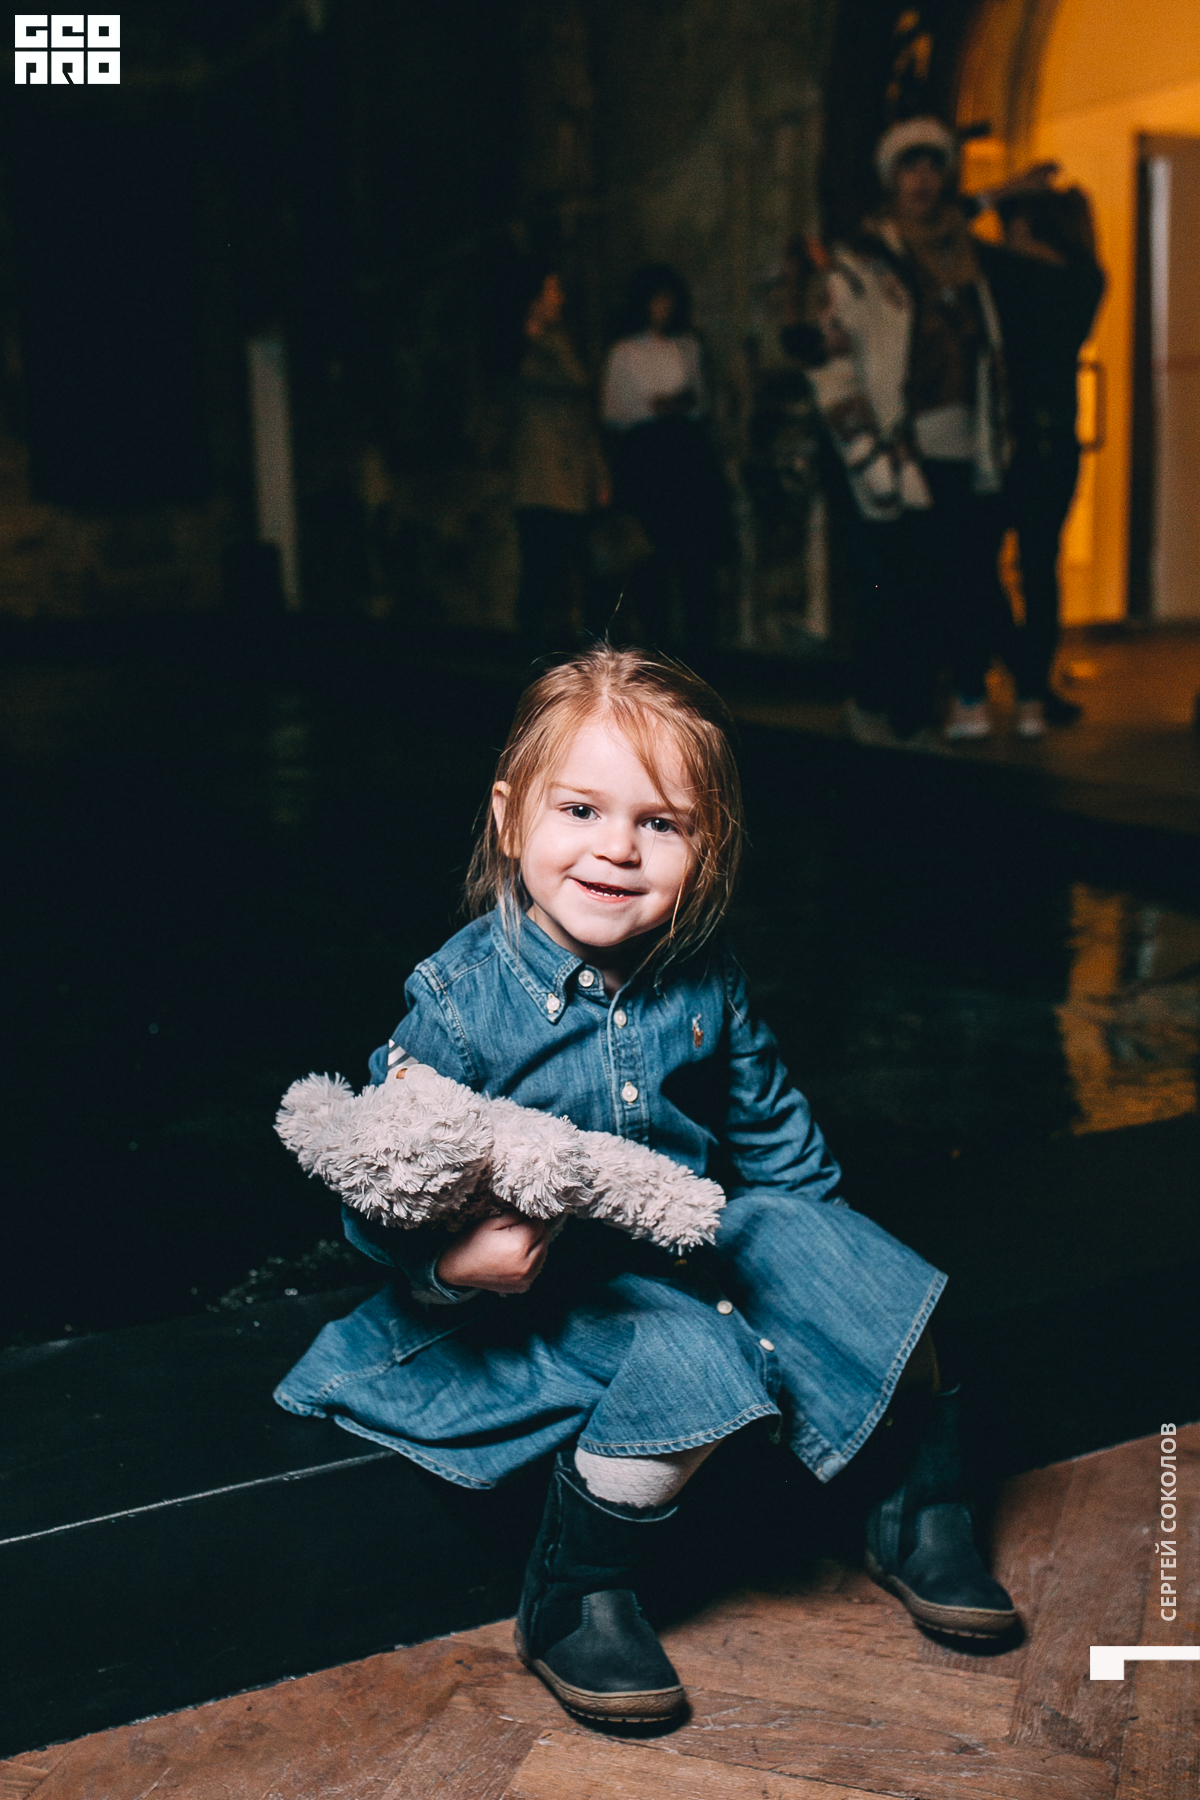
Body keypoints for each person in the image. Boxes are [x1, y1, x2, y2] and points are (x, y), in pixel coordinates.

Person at [275, 645, 1016, 1727]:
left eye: (660, 823)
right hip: (552, 1288)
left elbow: (774, 1135)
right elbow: (377, 1186)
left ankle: (919, 1505)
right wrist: (453, 1265)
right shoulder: (458, 1003)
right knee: (689, 1365)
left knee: (873, 1275)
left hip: (685, 1239)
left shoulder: (707, 977)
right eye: (580, 810)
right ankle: (576, 1591)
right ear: (510, 818)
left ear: (705, 849)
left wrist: (829, 1287)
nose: (616, 848)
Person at [806, 117, 1011, 742]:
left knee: (954, 580)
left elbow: (985, 353)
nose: (921, 180)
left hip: (964, 444)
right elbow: (831, 361)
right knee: (895, 584)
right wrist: (863, 444)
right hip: (895, 446)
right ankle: (885, 700)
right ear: (890, 179)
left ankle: (928, 700)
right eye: (908, 168)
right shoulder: (860, 262)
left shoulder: (966, 257)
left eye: (932, 168)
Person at [985, 186, 1105, 733]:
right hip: (1057, 440)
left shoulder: (1018, 278)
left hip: (1010, 439)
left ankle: (1024, 673)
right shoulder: (1086, 280)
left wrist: (996, 193)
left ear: (1030, 227)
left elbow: (959, 236)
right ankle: (1034, 684)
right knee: (1039, 566)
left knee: (979, 561)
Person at [601, 265, 733, 661]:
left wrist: (682, 404)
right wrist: (651, 406)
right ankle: (656, 645)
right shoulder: (625, 352)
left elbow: (701, 401)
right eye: (657, 299)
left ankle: (700, 649)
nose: (664, 307)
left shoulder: (686, 346)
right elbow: (613, 410)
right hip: (647, 457)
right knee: (652, 554)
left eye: (669, 299)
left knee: (694, 553)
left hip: (685, 453)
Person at [510, 264, 611, 659]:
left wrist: (599, 472)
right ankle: (535, 661)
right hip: (541, 481)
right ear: (534, 298)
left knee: (587, 570)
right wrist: (544, 341)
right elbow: (573, 381)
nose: (561, 298)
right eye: (552, 290)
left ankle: (590, 657)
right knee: (541, 573)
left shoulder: (558, 343)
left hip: (570, 479)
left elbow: (582, 411)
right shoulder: (525, 351)